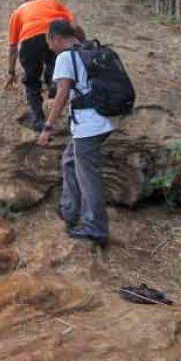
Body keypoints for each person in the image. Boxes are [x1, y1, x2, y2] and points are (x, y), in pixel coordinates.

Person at [37, 19, 114, 247]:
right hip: (104, 120)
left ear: (55, 38)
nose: (49, 47)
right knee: (70, 160)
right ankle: (69, 211)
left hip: (89, 124)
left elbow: (61, 95)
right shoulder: (89, 48)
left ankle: (96, 227)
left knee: (88, 175)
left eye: (49, 42)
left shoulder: (64, 57)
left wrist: (47, 128)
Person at [5, 0, 77, 132]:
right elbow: (74, 26)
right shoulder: (54, 3)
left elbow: (13, 47)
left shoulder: (19, 11)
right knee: (56, 73)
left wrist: (11, 72)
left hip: (29, 41)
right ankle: (54, 102)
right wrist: (82, 45)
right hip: (54, 38)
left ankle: (38, 120)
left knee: (32, 81)